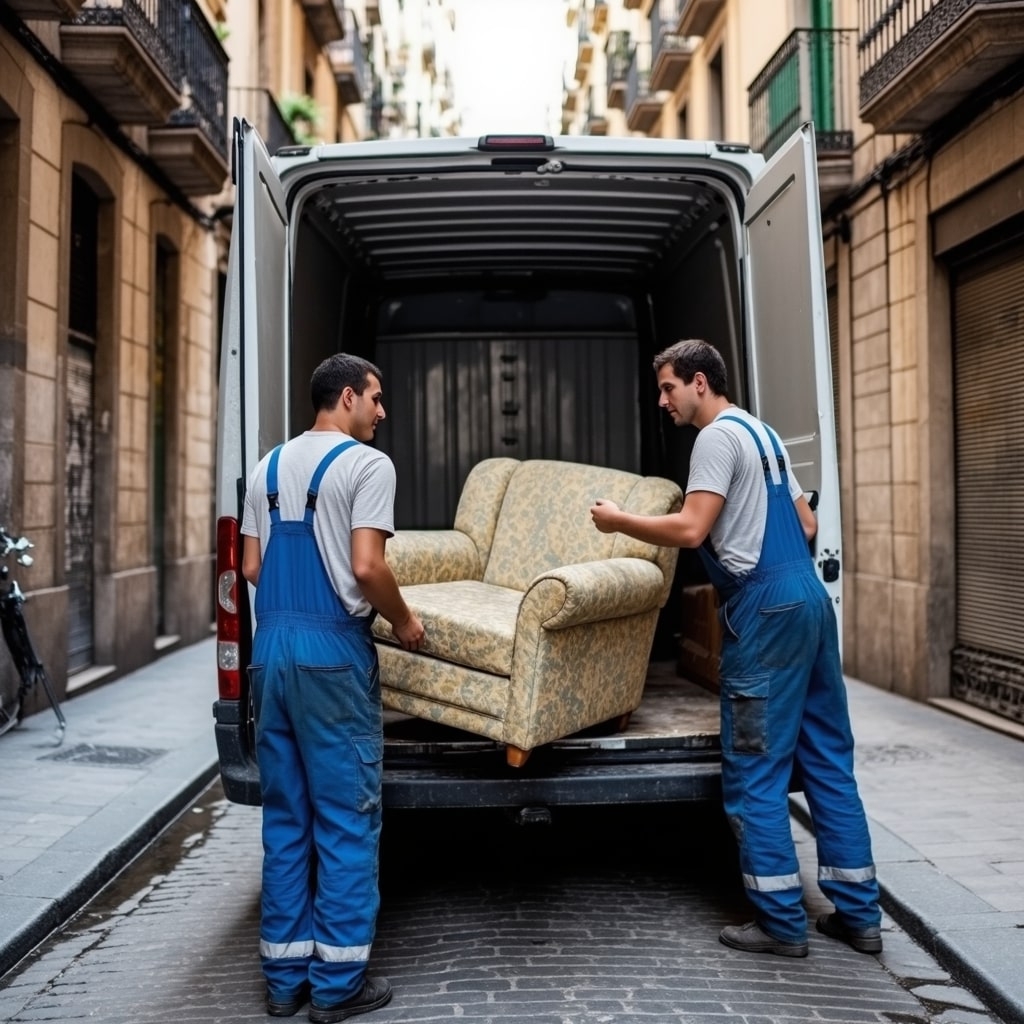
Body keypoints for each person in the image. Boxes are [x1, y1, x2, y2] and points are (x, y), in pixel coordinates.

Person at [590, 339, 882, 959]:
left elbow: (692, 527)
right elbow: (807, 526)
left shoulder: (715, 439)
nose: (663, 400)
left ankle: (780, 923)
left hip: (765, 609)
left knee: (756, 770)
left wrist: (619, 521)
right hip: (809, 599)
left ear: (700, 382)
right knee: (829, 761)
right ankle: (860, 916)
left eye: (668, 387)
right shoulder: (765, 434)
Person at [241, 353, 425, 1021]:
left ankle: (284, 983)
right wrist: (403, 620)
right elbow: (367, 566)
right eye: (375, 398)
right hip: (331, 653)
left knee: (286, 817)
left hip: (272, 652)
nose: (381, 411)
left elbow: (252, 566)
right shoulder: (367, 466)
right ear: (347, 397)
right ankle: (338, 987)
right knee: (346, 817)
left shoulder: (266, 467)